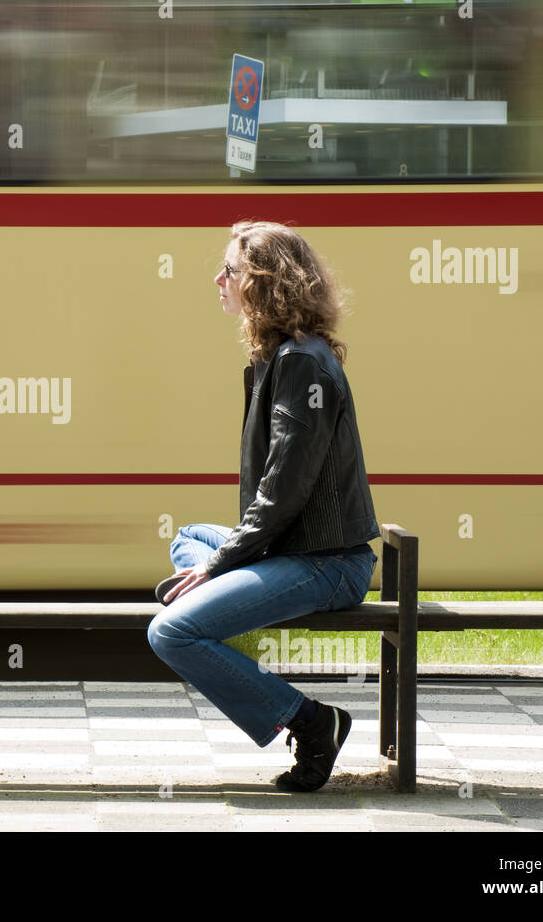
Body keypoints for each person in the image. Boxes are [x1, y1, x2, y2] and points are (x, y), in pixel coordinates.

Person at [146, 219, 380, 792]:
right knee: (188, 538)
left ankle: (311, 720)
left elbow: (283, 490)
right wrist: (218, 560)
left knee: (170, 632)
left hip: (326, 562)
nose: (218, 279)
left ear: (262, 281)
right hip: (295, 547)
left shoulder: (301, 364)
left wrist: (219, 566)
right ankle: (224, 611)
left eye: (229, 269)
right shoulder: (284, 357)